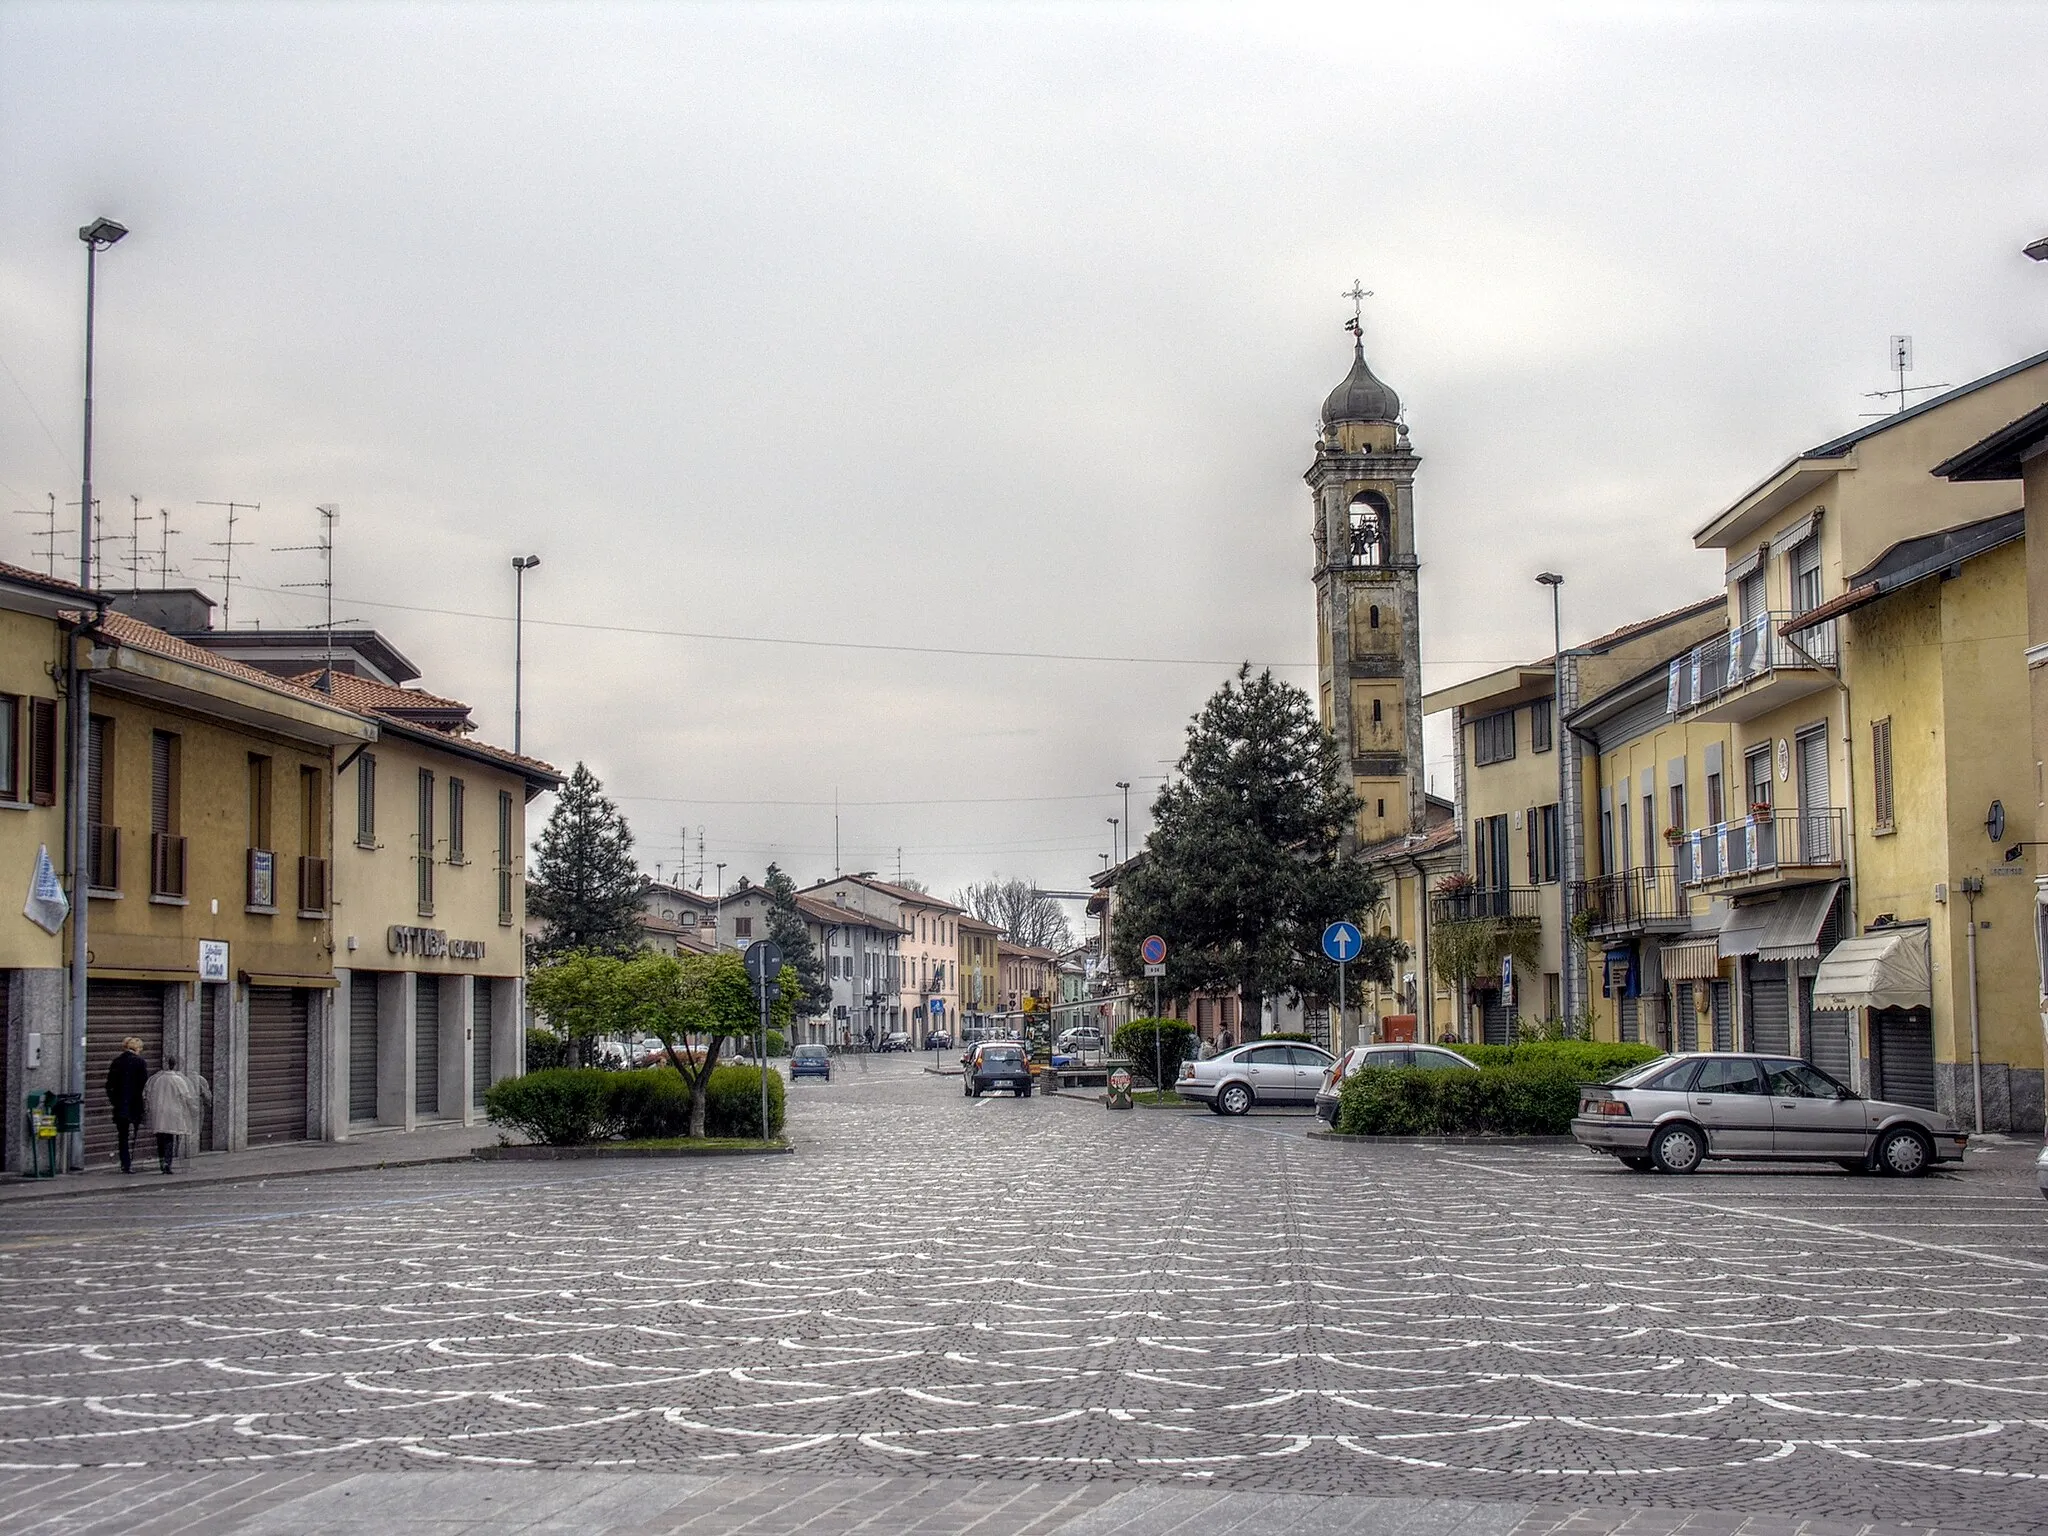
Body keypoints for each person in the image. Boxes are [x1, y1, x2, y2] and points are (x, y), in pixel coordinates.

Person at [142, 1056, 210, 1176]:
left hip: (159, 1113)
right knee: (169, 1139)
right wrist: (194, 1109)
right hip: (173, 1113)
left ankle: (162, 1163)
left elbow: (147, 1094)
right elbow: (187, 1097)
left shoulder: (157, 1079)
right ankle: (167, 1164)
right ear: (176, 1065)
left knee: (160, 1139)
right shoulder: (178, 1080)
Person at [105, 1036, 150, 1174]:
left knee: (123, 1135)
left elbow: (109, 1085)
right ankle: (134, 1160)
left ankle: (126, 1164)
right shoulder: (140, 1062)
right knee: (135, 1133)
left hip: (120, 1106)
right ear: (137, 1048)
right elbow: (144, 1084)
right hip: (135, 1104)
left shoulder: (117, 1062)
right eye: (140, 1048)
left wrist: (115, 1101)